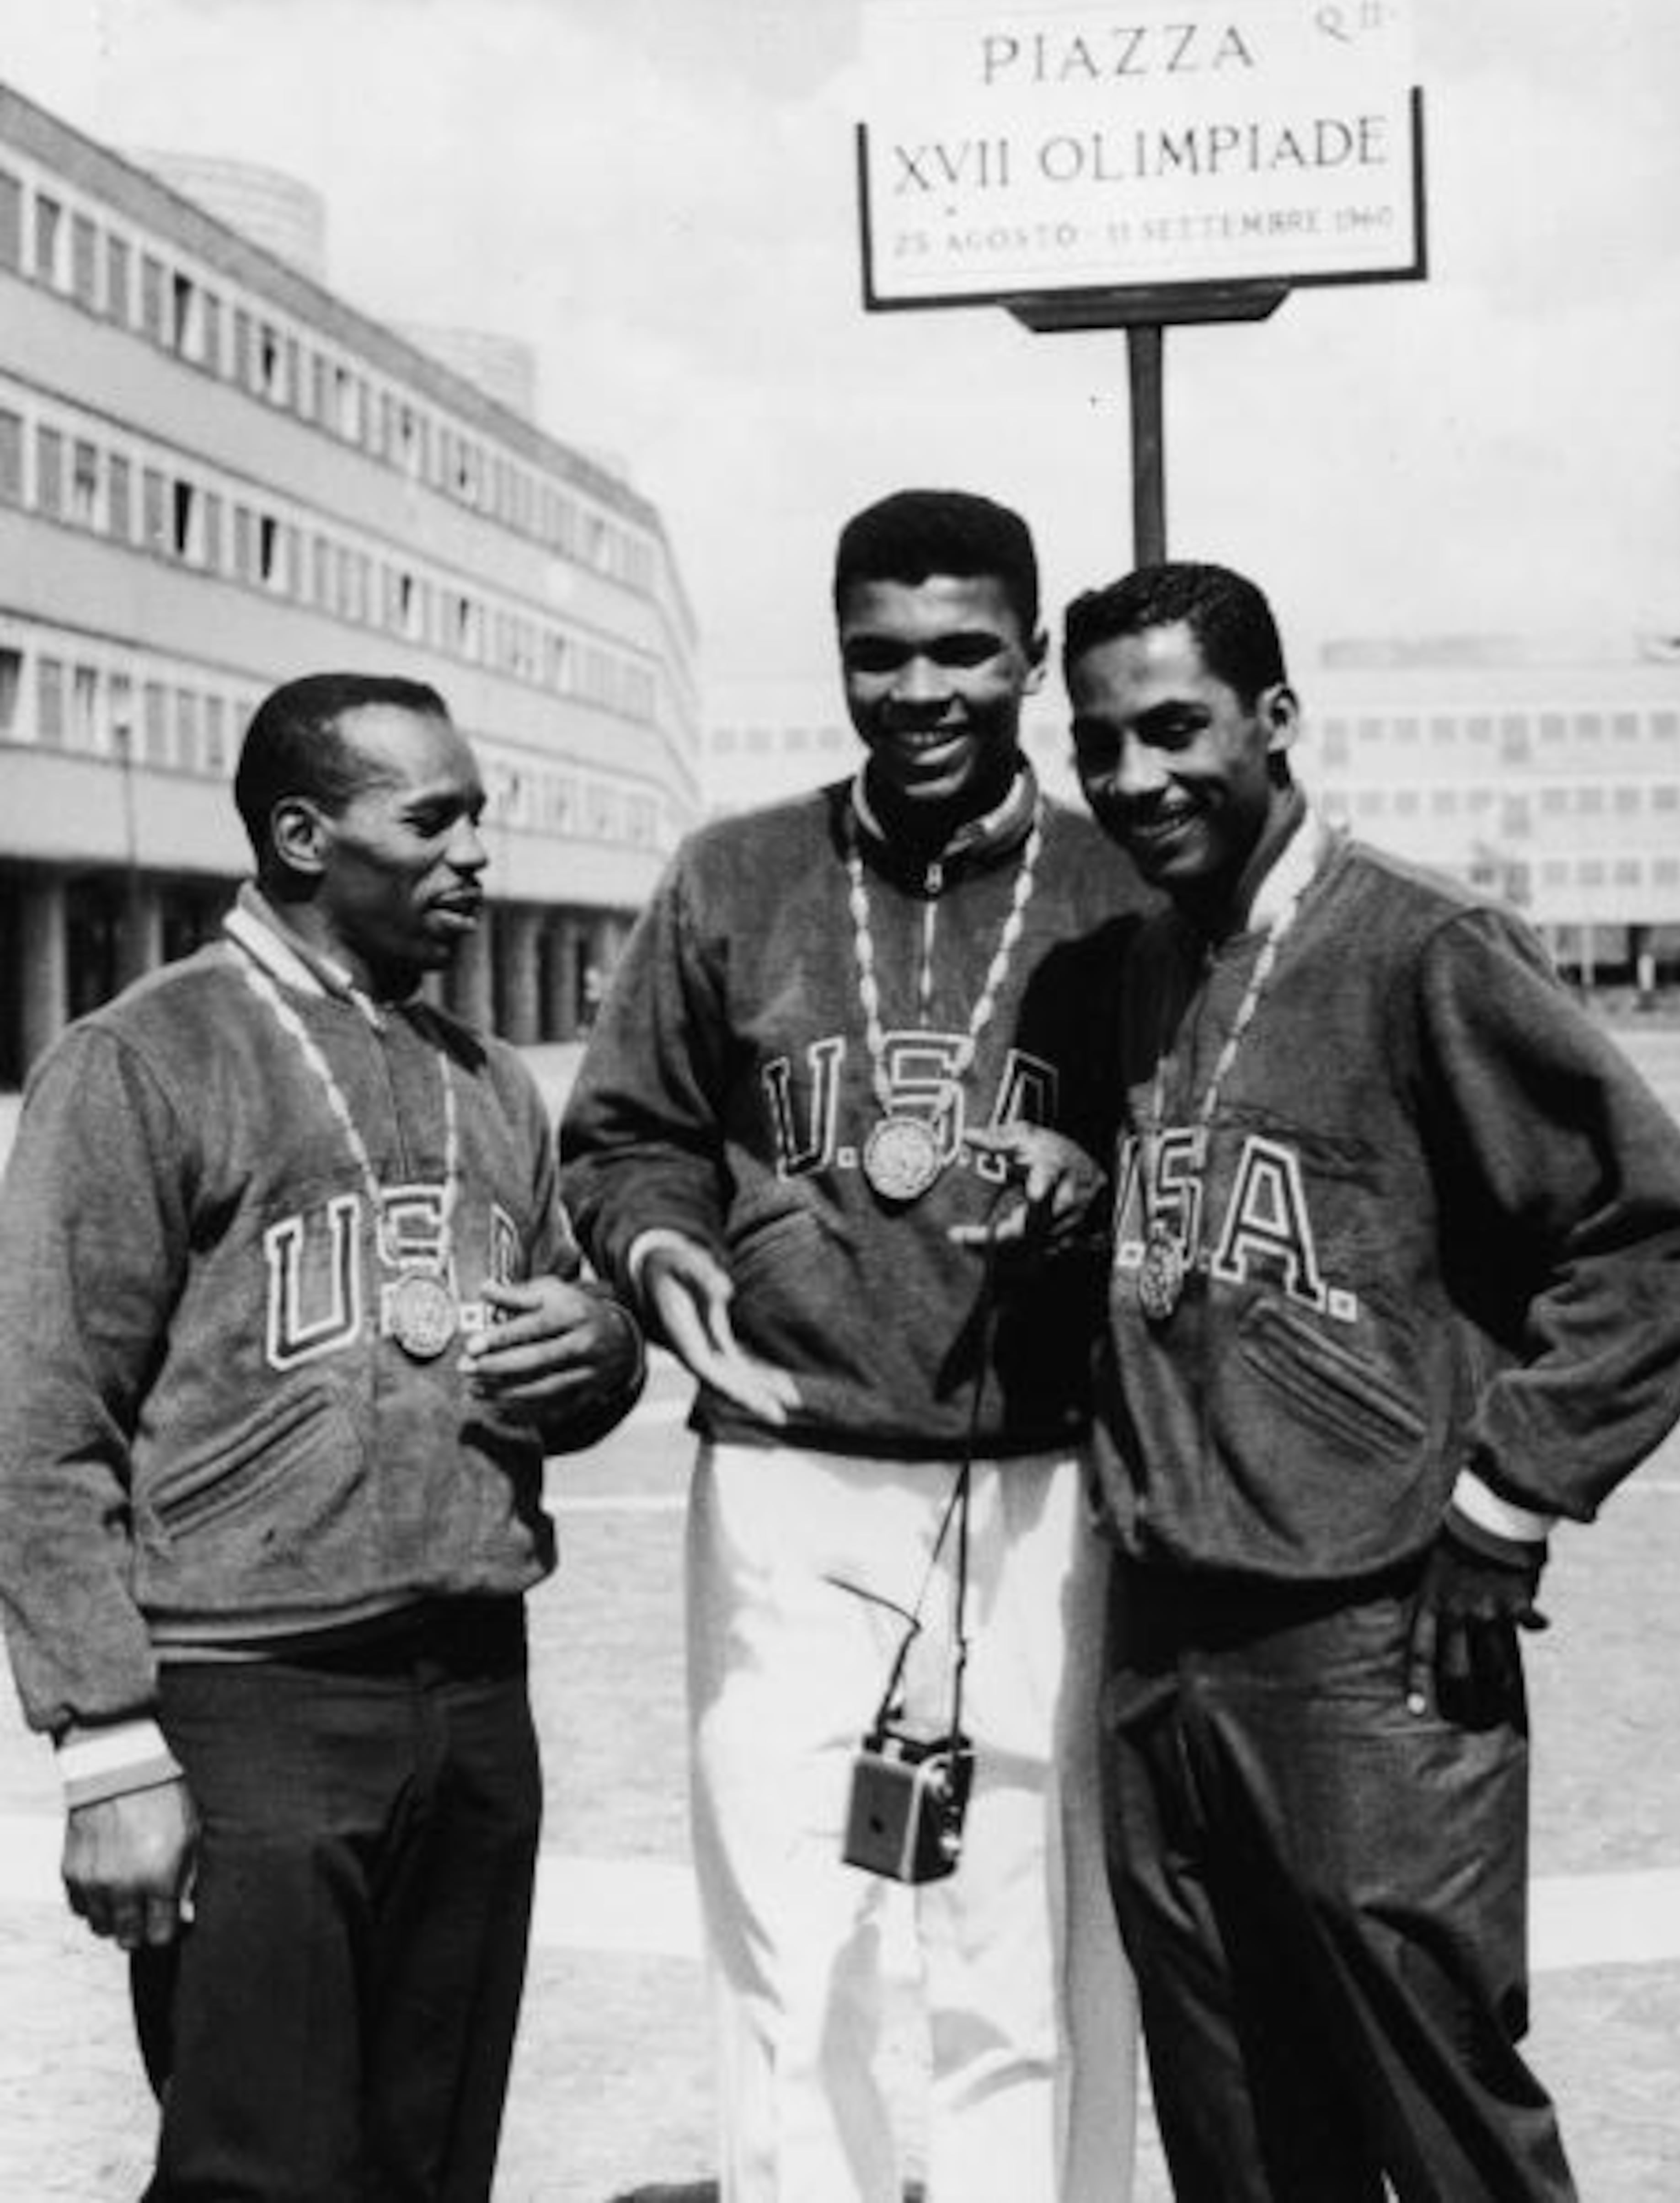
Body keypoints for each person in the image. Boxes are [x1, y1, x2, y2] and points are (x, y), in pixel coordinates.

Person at [1060, 559, 1680, 2203]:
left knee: (1436, 2119)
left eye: (1175, 729)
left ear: (1276, 721)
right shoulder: (1154, 962)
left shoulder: (1424, 945)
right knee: (1232, 2127)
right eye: (1101, 746)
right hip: (1163, 1643)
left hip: (1367, 1647)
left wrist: (1509, 1501)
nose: (1136, 780)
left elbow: (1656, 1232)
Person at [560, 489, 1145, 2203]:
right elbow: (625, 1138)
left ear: (1030, 655)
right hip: (790, 1470)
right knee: (788, 1933)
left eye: (964, 650)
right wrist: (666, 1258)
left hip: (1044, 1475)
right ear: (835, 659)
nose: (921, 691)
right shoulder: (735, 874)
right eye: (876, 655)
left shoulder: (1124, 881)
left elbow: (1195, 1128)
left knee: (1022, 1943)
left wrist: (1097, 1178)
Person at [0, 673, 646, 2203]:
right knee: (262, 2169)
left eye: (478, 814)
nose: (476, 852)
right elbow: (39, 1426)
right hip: (257, 1702)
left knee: (429, 2163)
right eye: (432, 820)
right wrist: (104, 1748)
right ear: (302, 836)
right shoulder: (142, 1060)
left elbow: (567, 1331)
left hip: (476, 1692)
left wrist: (604, 1348)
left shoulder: (485, 1078)